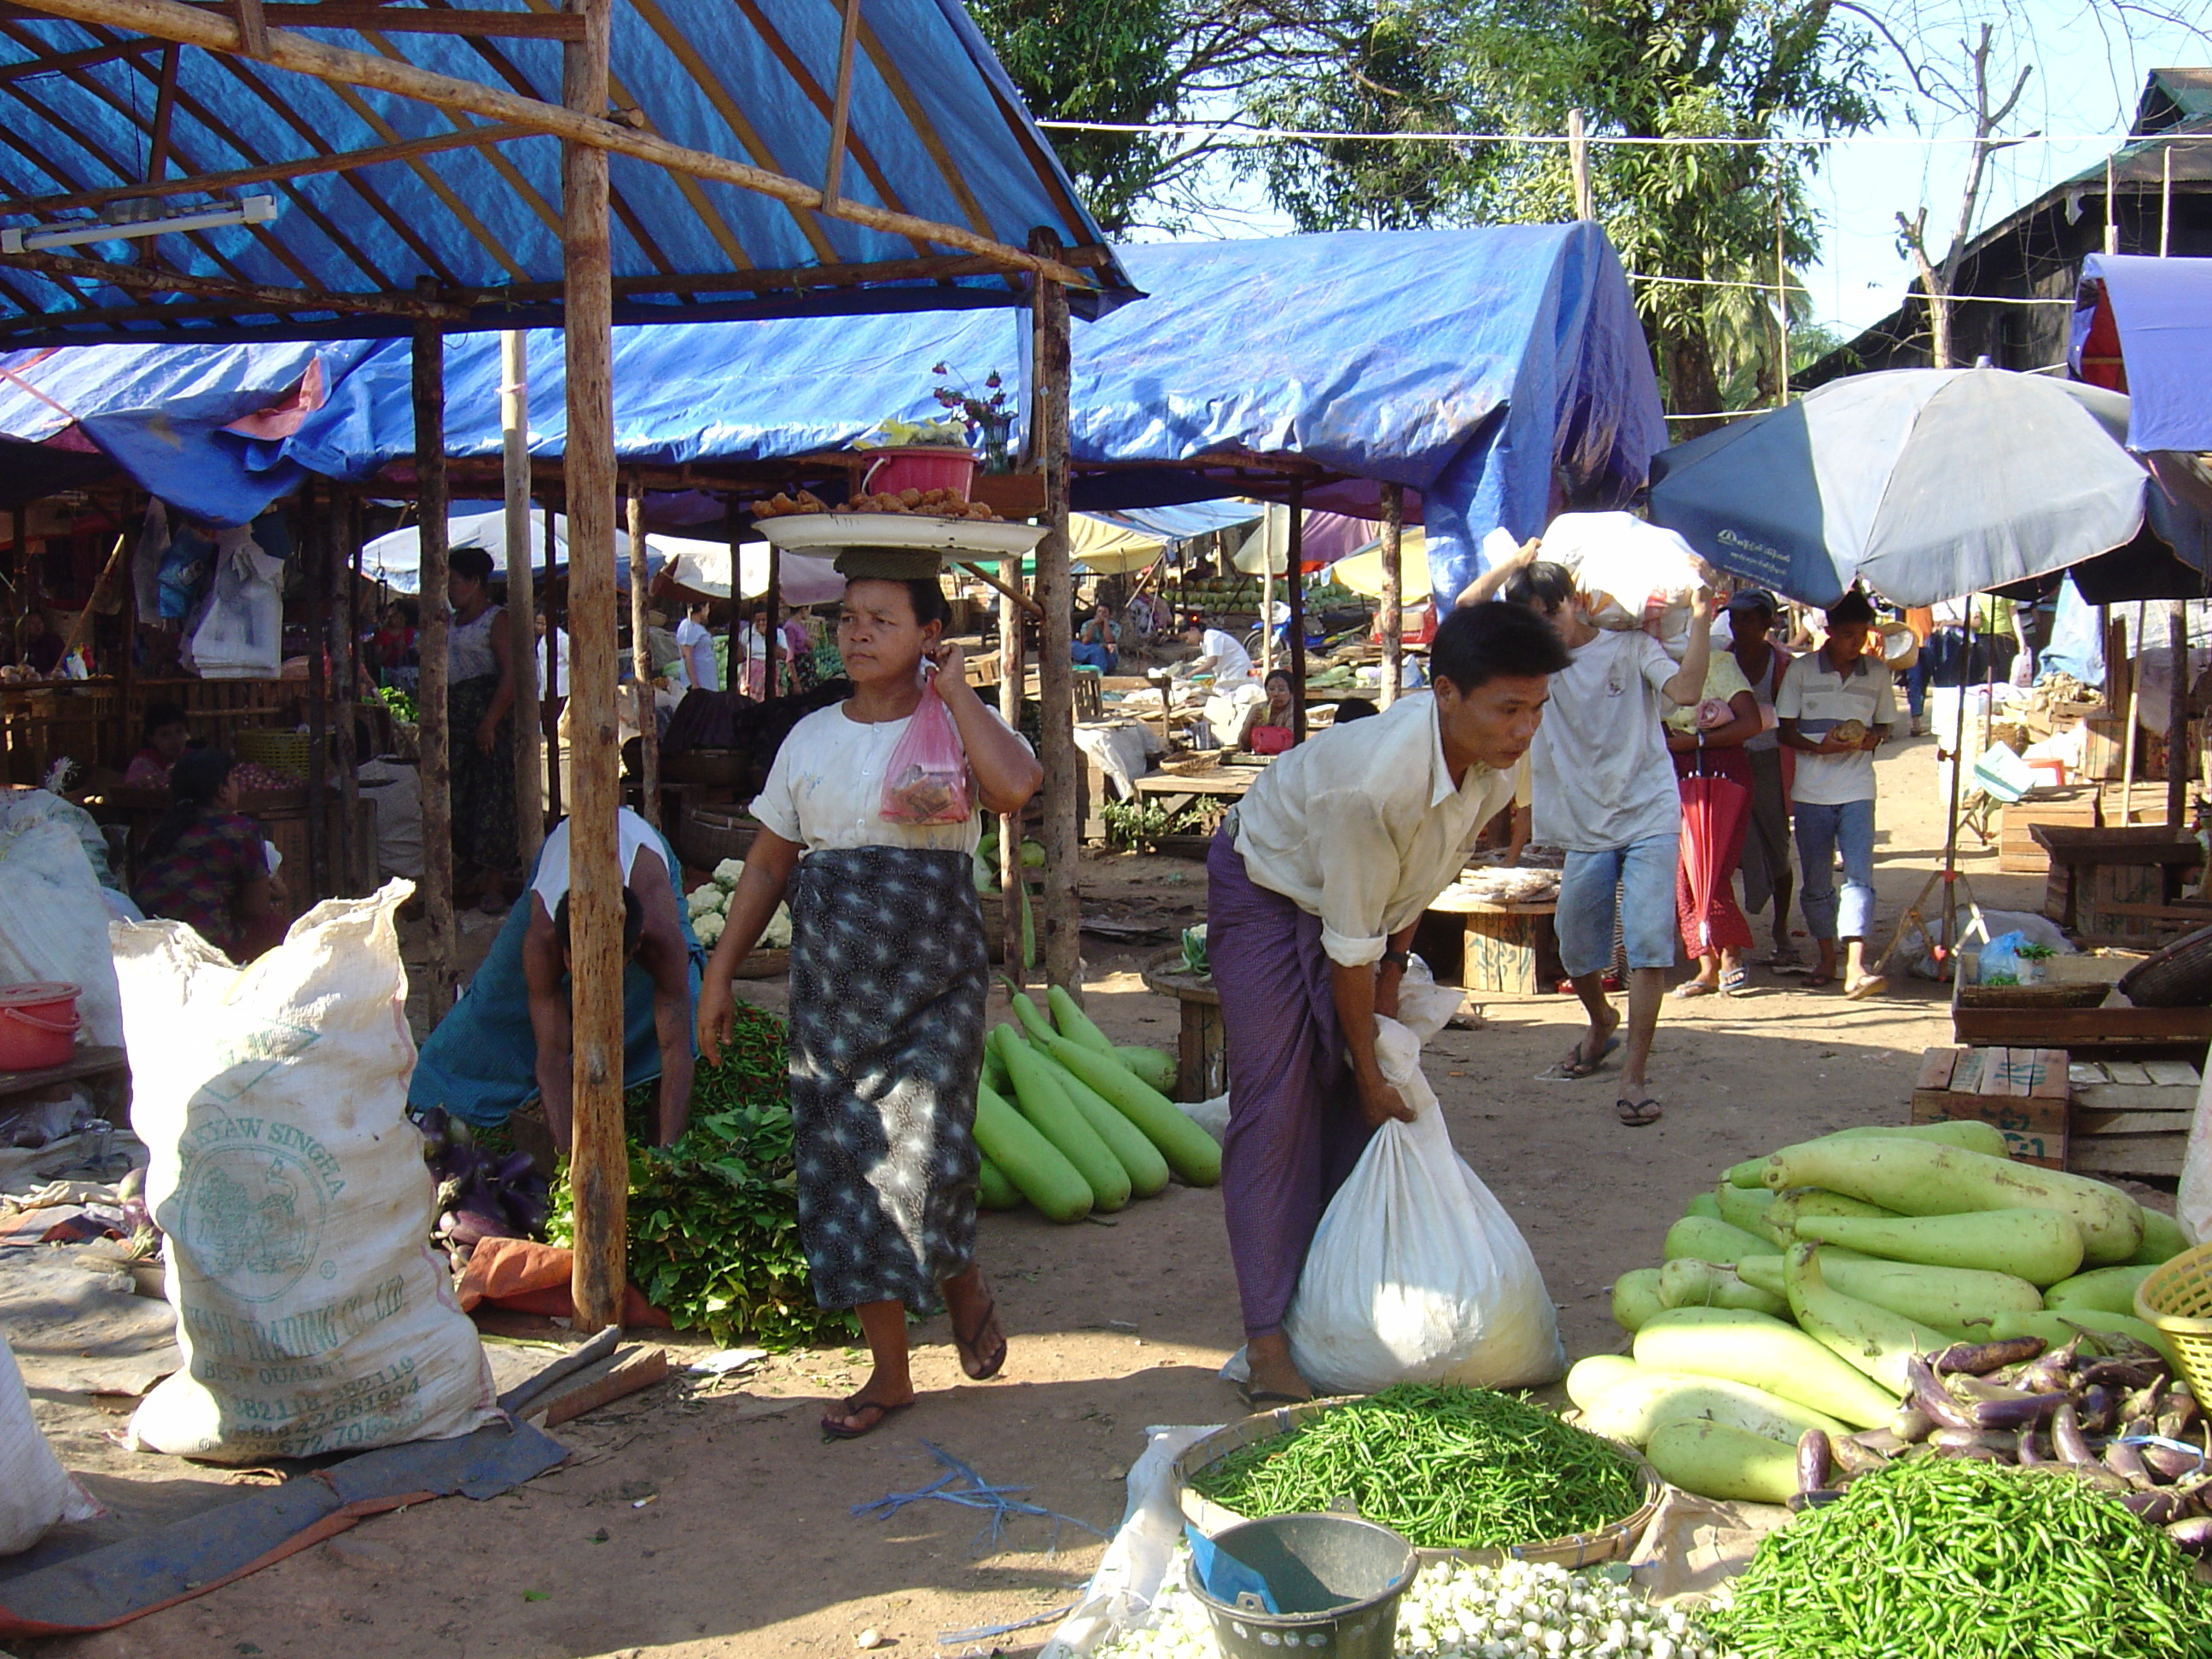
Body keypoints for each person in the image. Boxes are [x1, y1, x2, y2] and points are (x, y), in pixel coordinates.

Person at [697, 572, 1042, 1440]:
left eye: (883, 621)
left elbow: (1016, 787)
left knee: (930, 1149)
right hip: (835, 981)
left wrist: (960, 691)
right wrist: (719, 974)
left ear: (930, 632)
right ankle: (889, 1375)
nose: (857, 635)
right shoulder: (809, 738)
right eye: (848, 620)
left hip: (933, 973)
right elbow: (771, 864)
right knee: (847, 1168)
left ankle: (957, 1274)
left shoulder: (954, 722)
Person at [1207, 602, 1568, 1405]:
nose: (1525, 728)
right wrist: (1371, 1065)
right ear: (1445, 693)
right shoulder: (1371, 787)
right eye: (1509, 708)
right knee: (1277, 1102)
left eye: (1537, 709)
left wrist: (1393, 983)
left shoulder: (1495, 765)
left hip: (1359, 911)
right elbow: (1348, 944)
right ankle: (1267, 1342)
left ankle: (1330, 1293)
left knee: (1345, 1092)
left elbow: (1418, 875)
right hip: (1268, 883)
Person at [1464, 546, 1712, 1129]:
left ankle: (1634, 1078)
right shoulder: (1534, 669)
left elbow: (1685, 693)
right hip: (1586, 828)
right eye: (1530, 620)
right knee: (1576, 950)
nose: (1541, 628)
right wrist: (1516, 560)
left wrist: (1701, 615)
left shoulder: (1630, 646)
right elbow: (1470, 607)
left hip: (1649, 811)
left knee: (1649, 944)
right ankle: (1602, 1022)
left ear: (1573, 602)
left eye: (1547, 615)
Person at [409, 803, 701, 1148]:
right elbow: (551, 1056)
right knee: (497, 997)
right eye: (572, 963)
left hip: (640, 855)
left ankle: (657, 1127)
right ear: (562, 948)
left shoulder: (659, 935)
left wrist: (669, 1156)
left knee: (687, 994)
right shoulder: (542, 936)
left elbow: (675, 1048)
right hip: (563, 853)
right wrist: (570, 1158)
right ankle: (444, 1085)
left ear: (636, 946)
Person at [1777, 589, 1895, 998]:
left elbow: (1885, 726)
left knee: (1860, 876)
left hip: (1858, 788)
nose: (1856, 643)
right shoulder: (1803, 671)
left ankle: (1855, 964)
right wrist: (1818, 748)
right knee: (1816, 881)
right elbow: (1785, 730)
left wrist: (1871, 740)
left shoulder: (1878, 673)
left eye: (1862, 634)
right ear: (1828, 632)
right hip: (1811, 791)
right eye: (1848, 634)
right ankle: (1827, 955)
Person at [1664, 649, 1762, 997]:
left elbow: (1751, 722)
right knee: (1684, 871)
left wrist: (1696, 741)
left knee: (1713, 865)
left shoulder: (1718, 662)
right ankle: (1705, 963)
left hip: (1721, 770)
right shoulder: (1649, 660)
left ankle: (1730, 953)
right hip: (1675, 771)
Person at [133, 748, 279, 963]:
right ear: (223, 791)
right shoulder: (241, 830)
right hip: (206, 944)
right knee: (275, 929)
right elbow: (256, 908)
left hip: (150, 943)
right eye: (233, 780)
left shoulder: (160, 832)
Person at [1725, 591, 1799, 970]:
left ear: (1767, 623)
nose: (1738, 628)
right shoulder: (1720, 658)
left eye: (1747, 621)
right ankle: (1729, 942)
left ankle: (1781, 930)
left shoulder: (1783, 665)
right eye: (1734, 620)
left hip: (1769, 762)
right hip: (1730, 759)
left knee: (1776, 845)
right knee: (1729, 849)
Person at [445, 546, 517, 910]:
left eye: (454, 581)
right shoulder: (448, 623)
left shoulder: (496, 621)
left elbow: (511, 675)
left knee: (493, 798)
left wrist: (488, 723)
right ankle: (466, 874)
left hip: (489, 720)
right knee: (459, 799)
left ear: (475, 583)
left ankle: (493, 884)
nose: (448, 589)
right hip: (455, 722)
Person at [124, 701, 193, 789]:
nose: (175, 740)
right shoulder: (142, 765)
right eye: (165, 734)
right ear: (151, 738)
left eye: (179, 731)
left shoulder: (194, 759)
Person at [1179, 614, 1255, 689]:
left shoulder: (1211, 636)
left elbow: (1212, 662)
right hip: (1230, 673)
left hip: (1238, 672)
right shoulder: (1204, 642)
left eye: (1186, 638)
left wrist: (1192, 673)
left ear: (1193, 630)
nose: (1187, 642)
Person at [1241, 668, 1298, 753]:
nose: (1276, 694)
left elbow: (1291, 744)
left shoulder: (1296, 712)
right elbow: (1243, 745)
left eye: (1282, 690)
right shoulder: (1258, 708)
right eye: (1271, 689)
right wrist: (1250, 724)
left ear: (1291, 693)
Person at [675, 599, 719, 694]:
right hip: (699, 683)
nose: (708, 611)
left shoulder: (698, 627)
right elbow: (687, 655)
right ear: (701, 608)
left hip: (707, 681)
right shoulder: (688, 626)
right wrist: (694, 684)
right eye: (707, 607)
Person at [371, 599, 418, 685]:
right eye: (395, 617)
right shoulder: (381, 633)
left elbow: (412, 652)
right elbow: (377, 660)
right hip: (388, 671)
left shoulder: (409, 632)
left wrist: (404, 648)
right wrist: (391, 647)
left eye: (401, 618)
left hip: (406, 669)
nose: (397, 620)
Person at [1073, 602, 1122, 674]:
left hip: (1108, 657)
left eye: (1104, 612)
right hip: (1090, 651)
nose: (1101, 614)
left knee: (1099, 650)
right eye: (1099, 611)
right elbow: (1085, 641)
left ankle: (1099, 673)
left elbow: (1109, 641)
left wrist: (1105, 622)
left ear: (1109, 615)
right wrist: (1093, 625)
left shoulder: (1115, 626)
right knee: (1073, 646)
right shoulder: (1087, 624)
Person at [20, 608, 67, 677]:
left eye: (39, 622)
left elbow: (61, 663)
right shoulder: (22, 644)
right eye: (33, 624)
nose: (37, 627)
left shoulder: (53, 640)